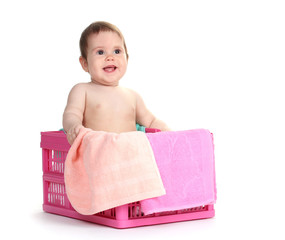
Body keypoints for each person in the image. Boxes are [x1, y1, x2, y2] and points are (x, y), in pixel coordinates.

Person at [63, 21, 170, 145]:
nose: (110, 57)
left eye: (117, 51)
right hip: (96, 157)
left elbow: (151, 121)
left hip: (130, 158)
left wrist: (170, 133)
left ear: (127, 59)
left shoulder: (132, 96)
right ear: (85, 63)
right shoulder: (82, 90)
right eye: (100, 52)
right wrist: (74, 127)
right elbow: (71, 114)